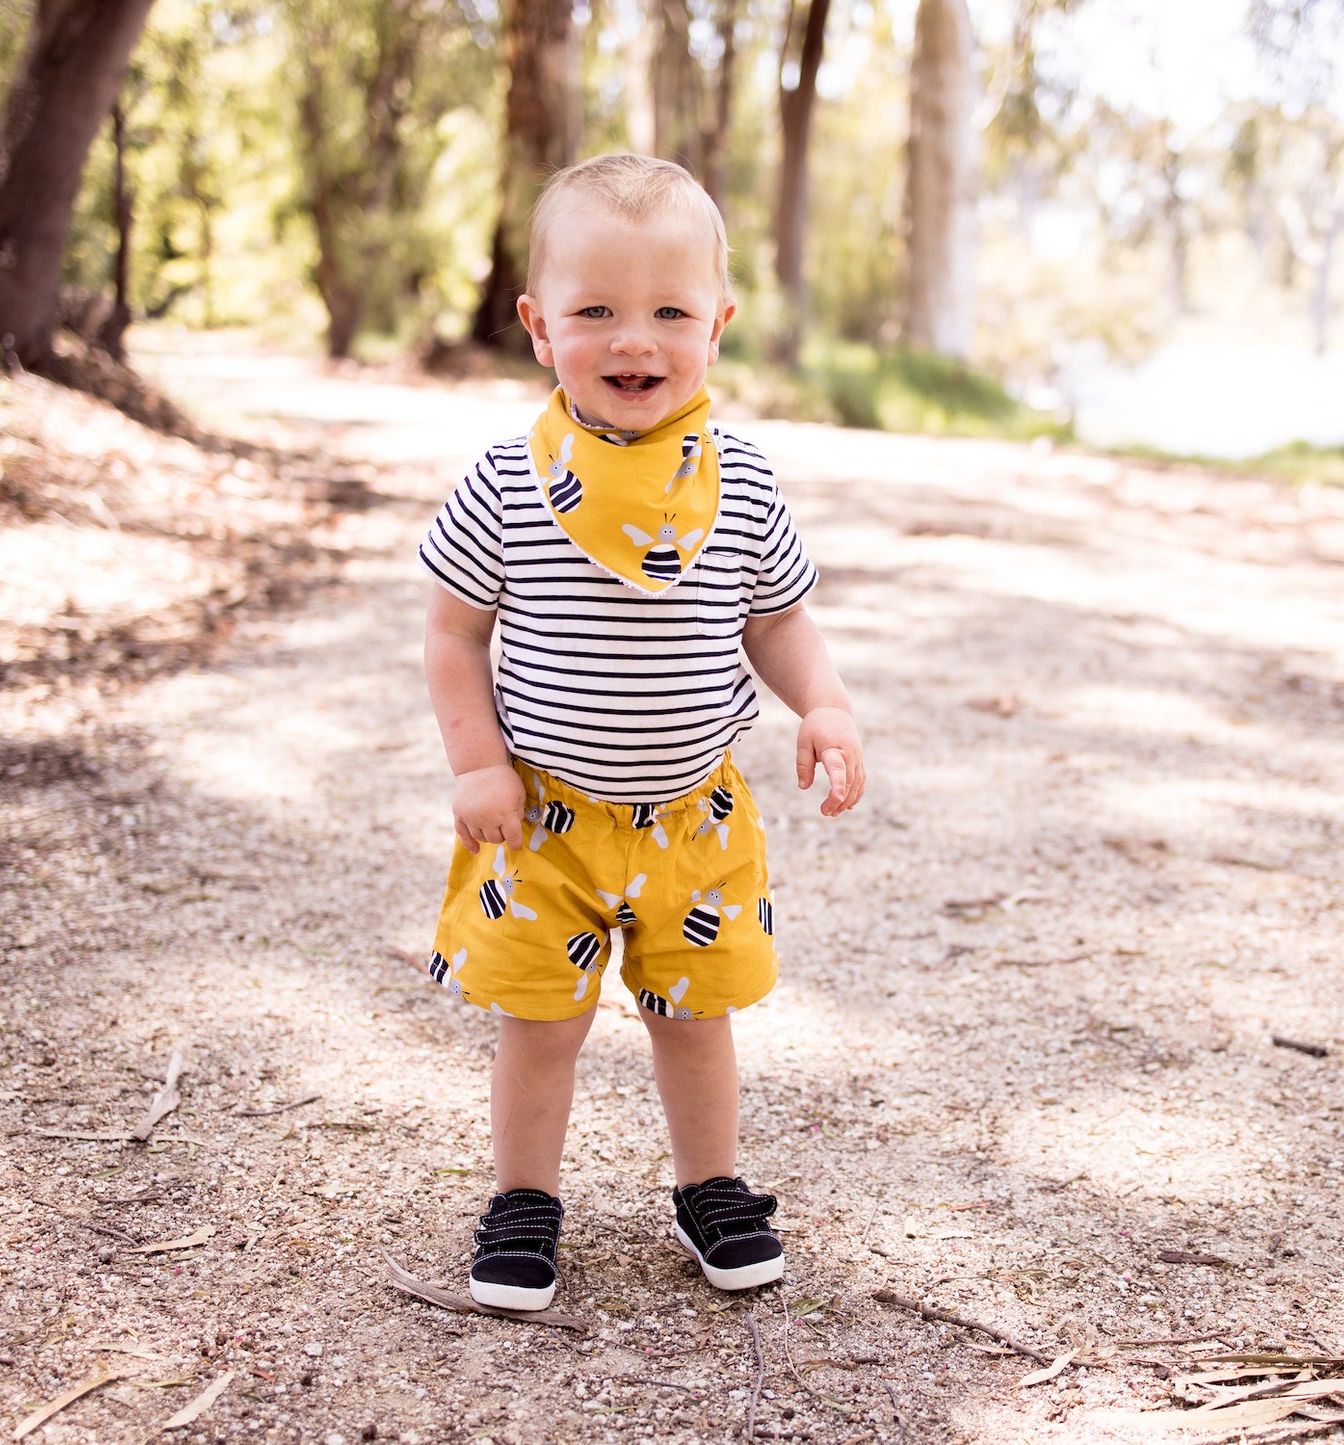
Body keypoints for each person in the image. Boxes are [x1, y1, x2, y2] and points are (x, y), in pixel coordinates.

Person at [419, 153, 864, 1311]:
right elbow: (454, 632)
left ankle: (707, 1183)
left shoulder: (743, 481)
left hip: (692, 818)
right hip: (546, 814)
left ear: (716, 324)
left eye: (670, 310)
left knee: (693, 1011)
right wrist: (475, 762)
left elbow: (777, 620)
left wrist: (821, 700)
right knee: (543, 1020)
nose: (635, 341)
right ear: (535, 326)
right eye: (596, 311)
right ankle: (523, 1196)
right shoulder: (508, 484)